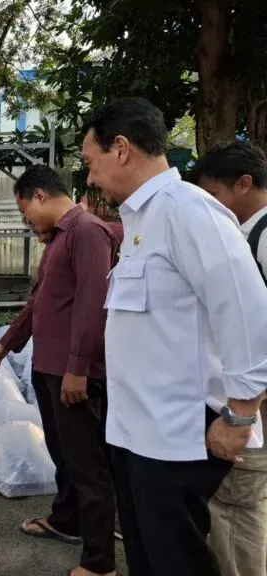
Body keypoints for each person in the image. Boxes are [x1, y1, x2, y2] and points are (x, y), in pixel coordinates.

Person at [83, 97, 267, 576]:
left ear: (120, 149)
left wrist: (240, 413)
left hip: (175, 438)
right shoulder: (143, 219)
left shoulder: (188, 211)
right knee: (147, 558)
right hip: (135, 434)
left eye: (91, 161)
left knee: (176, 562)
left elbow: (250, 314)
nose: (89, 177)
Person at [0, 165, 120, 576]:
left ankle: (99, 563)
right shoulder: (59, 238)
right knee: (64, 454)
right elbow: (43, 301)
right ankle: (67, 520)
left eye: (26, 214)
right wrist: (8, 342)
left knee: (89, 464)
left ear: (40, 195)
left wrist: (78, 369)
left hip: (71, 372)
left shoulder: (87, 232)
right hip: (50, 366)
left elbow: (94, 304)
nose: (28, 223)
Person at [193, 141, 267, 576]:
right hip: (246, 395)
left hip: (252, 400)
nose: (212, 208)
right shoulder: (245, 235)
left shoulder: (262, 236)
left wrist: (243, 412)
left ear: (244, 185)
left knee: (240, 504)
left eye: (215, 196)